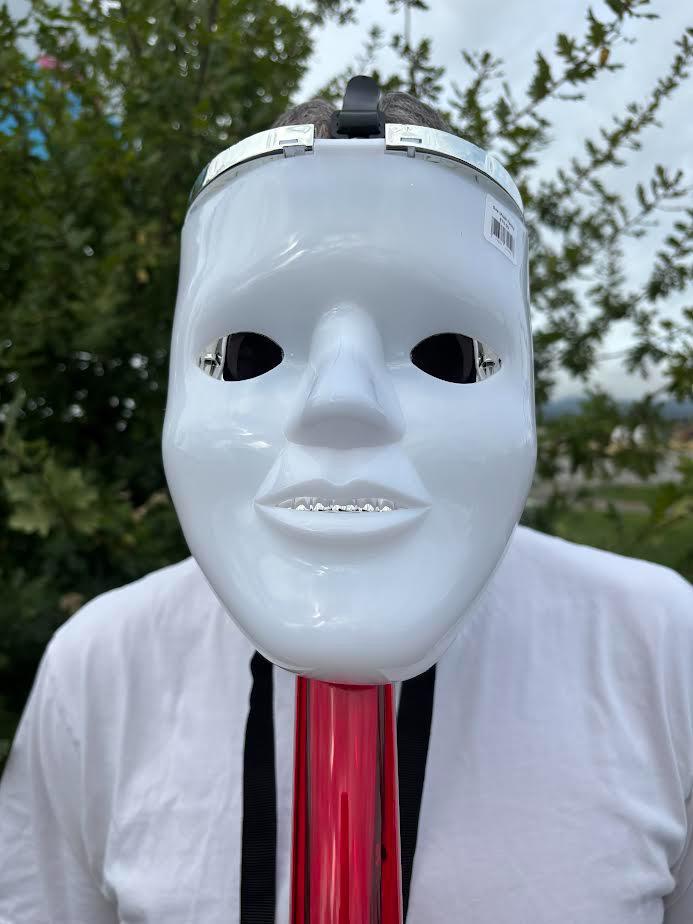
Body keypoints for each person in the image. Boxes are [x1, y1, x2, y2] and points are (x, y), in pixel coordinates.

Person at [1, 91, 692, 924]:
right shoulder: (103, 668)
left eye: (445, 352)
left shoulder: (658, 648)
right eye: (252, 352)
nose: (341, 403)